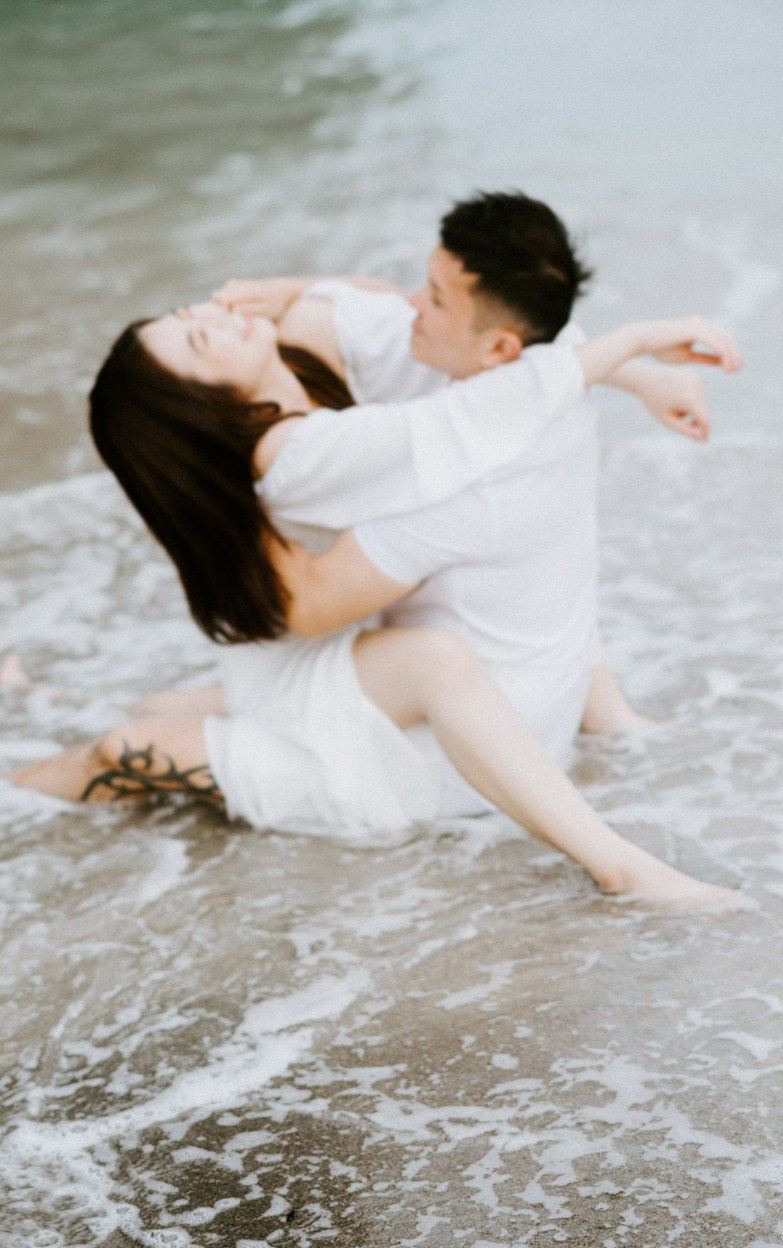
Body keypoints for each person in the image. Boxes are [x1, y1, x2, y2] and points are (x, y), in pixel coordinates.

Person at [10, 293, 742, 912]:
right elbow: (470, 414)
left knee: (195, 700)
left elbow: (429, 323)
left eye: (189, 311)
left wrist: (637, 376)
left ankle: (44, 693)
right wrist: (633, 355)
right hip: (343, 733)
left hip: (306, 681)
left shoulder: (304, 390)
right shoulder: (290, 457)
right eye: (201, 338)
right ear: (205, 407)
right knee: (124, 750)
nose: (214, 311)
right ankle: (618, 864)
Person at [213, 192, 741, 816]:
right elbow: (377, 300)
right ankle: (615, 721)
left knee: (126, 746)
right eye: (428, 282)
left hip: (467, 757)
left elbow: (309, 608)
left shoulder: (467, 479)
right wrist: (641, 372)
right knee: (196, 704)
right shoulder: (529, 359)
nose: (412, 302)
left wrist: (214, 480)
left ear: (498, 350)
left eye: (434, 299)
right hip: (544, 684)